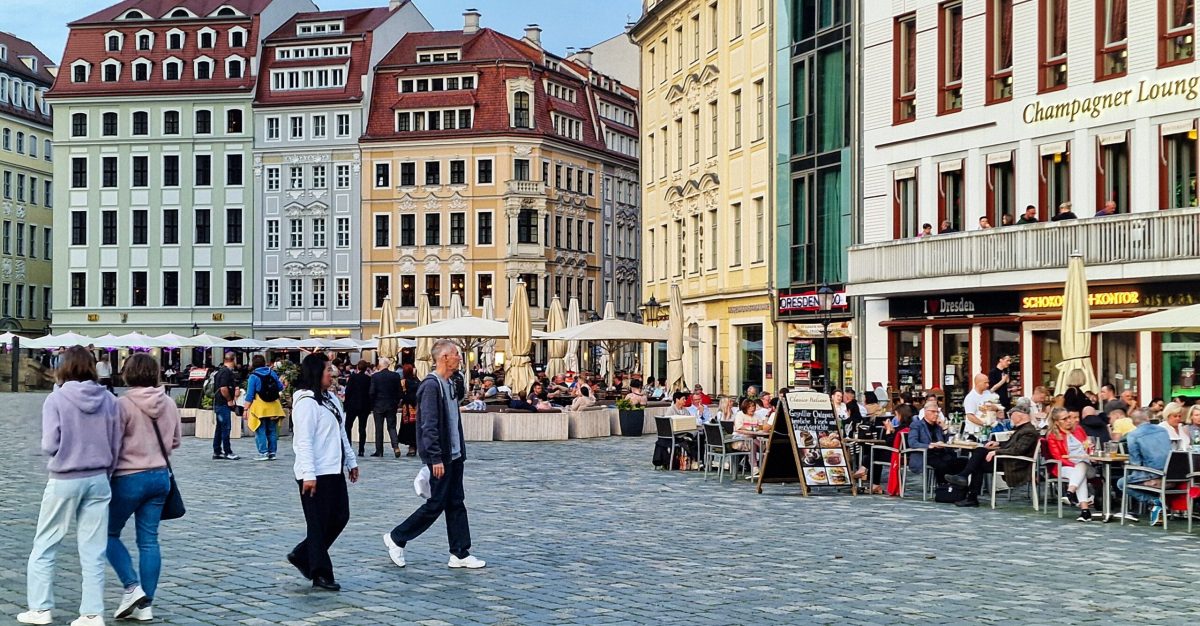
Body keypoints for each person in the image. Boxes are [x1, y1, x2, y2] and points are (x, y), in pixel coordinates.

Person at [19, 346, 123, 626]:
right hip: (99, 477)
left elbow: (49, 443)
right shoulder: (110, 400)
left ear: (63, 366)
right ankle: (91, 613)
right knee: (93, 549)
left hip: (65, 477)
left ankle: (40, 609)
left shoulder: (57, 399)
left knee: (45, 543)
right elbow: (116, 444)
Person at [384, 340, 485, 570]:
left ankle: (460, 552)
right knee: (436, 503)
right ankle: (397, 537)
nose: (460, 358)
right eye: (456, 355)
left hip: (455, 455)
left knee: (456, 502)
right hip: (442, 457)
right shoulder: (431, 386)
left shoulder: (450, 383)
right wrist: (435, 457)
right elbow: (428, 425)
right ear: (444, 358)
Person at [106, 353, 181, 620]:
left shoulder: (121, 404)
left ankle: (131, 586)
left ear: (129, 373)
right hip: (160, 476)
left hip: (128, 477)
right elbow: (175, 442)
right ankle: (145, 605)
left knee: (107, 533)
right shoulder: (169, 403)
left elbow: (112, 445)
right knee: (149, 541)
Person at [289, 354, 359, 591]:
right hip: (314, 472)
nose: (333, 373)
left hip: (333, 468)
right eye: (328, 370)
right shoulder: (306, 402)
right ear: (316, 373)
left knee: (340, 517)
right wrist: (309, 474)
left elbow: (341, 432)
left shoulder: (330, 399)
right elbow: (304, 441)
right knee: (318, 524)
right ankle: (320, 573)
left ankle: (302, 554)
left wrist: (351, 461)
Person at [946, 404, 1040, 507]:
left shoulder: (1028, 431)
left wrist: (996, 452)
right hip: (1009, 460)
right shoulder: (1023, 429)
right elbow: (1013, 445)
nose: (1010, 417)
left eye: (1011, 414)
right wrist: (998, 444)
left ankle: (965, 482)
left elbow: (1017, 450)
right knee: (979, 457)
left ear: (1019, 416)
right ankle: (968, 491)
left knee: (979, 455)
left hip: (1016, 464)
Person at [1119, 408, 1172, 525]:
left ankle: (1154, 502)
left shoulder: (1133, 435)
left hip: (1153, 476)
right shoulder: (1163, 430)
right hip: (1172, 477)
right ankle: (1157, 507)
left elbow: (1135, 463)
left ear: (1133, 423)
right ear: (1148, 418)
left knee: (1122, 483)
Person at [1044, 408, 1096, 522]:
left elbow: (1088, 446)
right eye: (1064, 419)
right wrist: (1075, 464)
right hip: (1064, 466)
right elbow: (1058, 457)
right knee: (1078, 473)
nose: (1069, 420)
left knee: (1081, 467)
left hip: (1087, 466)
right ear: (1057, 422)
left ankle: (1070, 492)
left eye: (1069, 417)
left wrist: (1090, 449)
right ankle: (1085, 511)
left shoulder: (1078, 429)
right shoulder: (1053, 435)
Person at [907, 405, 966, 484]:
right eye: (933, 411)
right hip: (926, 455)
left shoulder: (938, 426)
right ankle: (943, 487)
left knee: (963, 461)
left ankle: (956, 489)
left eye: (937, 412)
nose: (936, 414)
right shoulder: (916, 425)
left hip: (941, 454)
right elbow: (912, 443)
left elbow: (949, 442)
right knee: (943, 465)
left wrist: (944, 427)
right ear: (925, 412)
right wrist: (929, 445)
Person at [245, 355, 286, 462]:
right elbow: (280, 387)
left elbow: (250, 395)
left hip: (260, 408)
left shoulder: (253, 376)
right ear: (264, 363)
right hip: (274, 407)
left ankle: (263, 453)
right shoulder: (272, 373)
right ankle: (272, 453)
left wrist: (245, 409)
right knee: (272, 430)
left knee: (260, 430)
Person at [368, 357, 403, 458]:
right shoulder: (395, 376)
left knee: (379, 428)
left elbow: (372, 392)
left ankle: (379, 451)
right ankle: (396, 447)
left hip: (378, 405)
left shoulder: (375, 377)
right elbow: (399, 391)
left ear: (380, 365)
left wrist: (373, 403)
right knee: (392, 427)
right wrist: (396, 402)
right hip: (391, 405)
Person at [212, 353, 241, 460]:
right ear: (233, 360)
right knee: (225, 428)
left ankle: (217, 451)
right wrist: (229, 400)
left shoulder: (220, 371)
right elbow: (223, 388)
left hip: (219, 403)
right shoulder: (226, 372)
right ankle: (227, 451)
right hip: (223, 404)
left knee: (219, 428)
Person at [733, 398, 770, 478]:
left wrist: (758, 429)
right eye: (749, 407)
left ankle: (755, 468)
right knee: (753, 441)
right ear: (745, 407)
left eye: (753, 406)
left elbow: (760, 427)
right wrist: (751, 429)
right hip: (739, 440)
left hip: (753, 440)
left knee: (752, 441)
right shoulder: (740, 414)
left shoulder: (756, 416)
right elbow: (738, 428)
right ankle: (764, 452)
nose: (752, 408)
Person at [342, 361, 372, 457]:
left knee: (348, 426)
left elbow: (348, 391)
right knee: (362, 428)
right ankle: (361, 449)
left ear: (358, 368)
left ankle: (349, 446)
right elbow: (370, 393)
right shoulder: (368, 379)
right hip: (364, 406)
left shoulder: (353, 377)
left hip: (352, 405)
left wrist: (345, 404)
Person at [962, 374, 999, 440]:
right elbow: (970, 416)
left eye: (988, 382)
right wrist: (984, 424)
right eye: (985, 383)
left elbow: (995, 407)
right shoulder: (971, 397)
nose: (987, 385)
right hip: (975, 432)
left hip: (988, 430)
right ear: (978, 383)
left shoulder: (987, 393)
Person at [399, 364, 421, 457]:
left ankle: (411, 447)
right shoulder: (417, 381)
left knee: (408, 427)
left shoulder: (403, 382)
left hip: (407, 408)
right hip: (417, 407)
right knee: (416, 427)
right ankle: (416, 445)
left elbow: (401, 394)